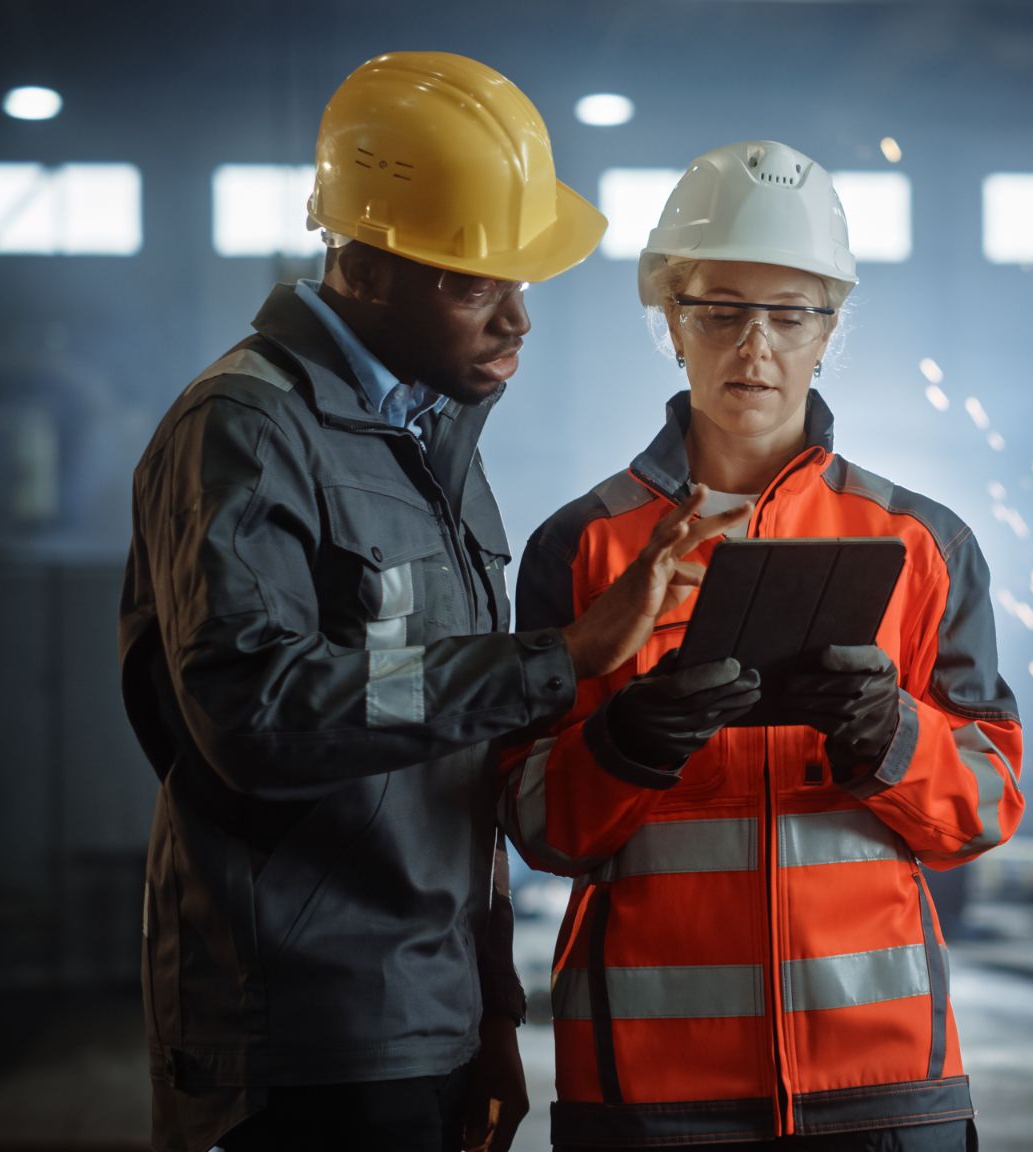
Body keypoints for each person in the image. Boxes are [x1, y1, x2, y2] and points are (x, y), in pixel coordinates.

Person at [119, 52, 733, 1152]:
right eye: (469, 283)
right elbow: (254, 710)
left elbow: (440, 756)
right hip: (303, 1043)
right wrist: (557, 657)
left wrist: (489, 1009)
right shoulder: (245, 431)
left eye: (519, 279)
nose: (515, 321)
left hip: (423, 1023)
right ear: (359, 264)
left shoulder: (424, 442)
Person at [501, 140, 1026, 1150]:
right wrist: (626, 743)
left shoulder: (918, 542)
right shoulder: (584, 547)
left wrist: (889, 736)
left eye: (790, 314)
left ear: (830, 329)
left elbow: (985, 806)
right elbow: (535, 824)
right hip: (651, 1087)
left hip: (878, 1080)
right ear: (669, 320)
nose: (756, 345)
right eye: (719, 309)